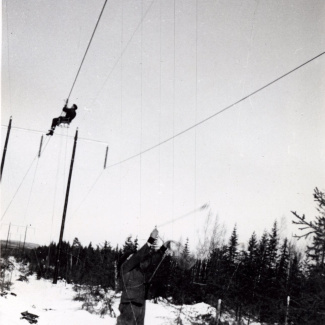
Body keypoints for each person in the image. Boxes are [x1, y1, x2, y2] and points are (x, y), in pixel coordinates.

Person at [117, 228, 171, 325]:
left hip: (140, 307)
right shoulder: (125, 267)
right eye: (131, 257)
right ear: (127, 259)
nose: (133, 258)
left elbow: (151, 260)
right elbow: (137, 257)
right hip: (128, 307)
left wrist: (163, 248)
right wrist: (150, 240)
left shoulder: (139, 269)